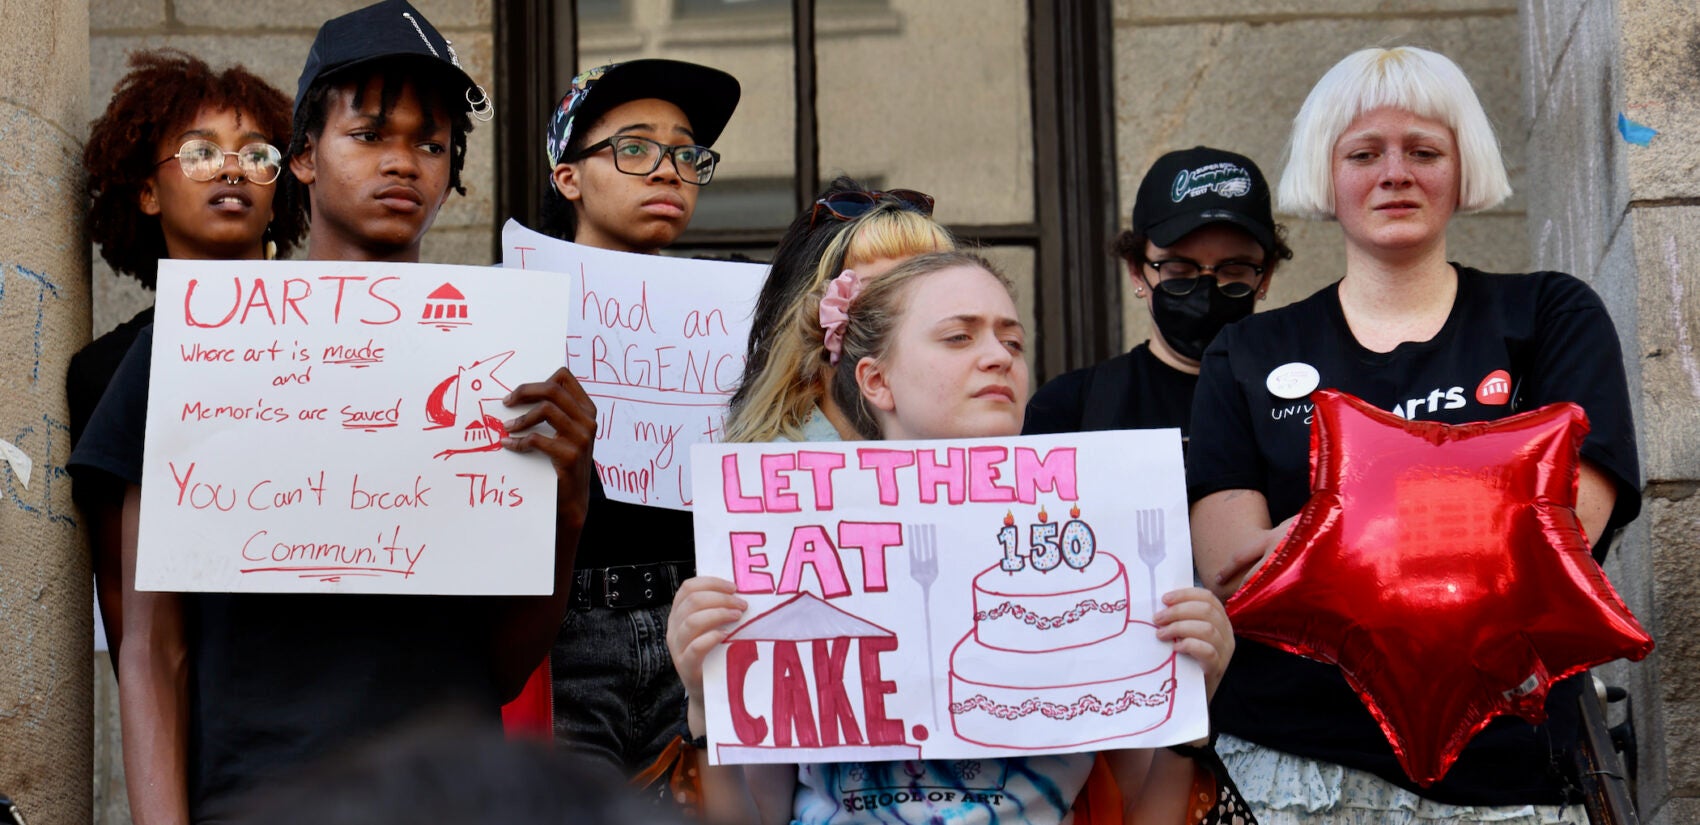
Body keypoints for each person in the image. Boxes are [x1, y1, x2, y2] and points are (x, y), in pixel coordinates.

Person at [72, 3, 597, 821]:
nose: (404, 162)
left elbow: (497, 668)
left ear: (454, 173)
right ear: (306, 158)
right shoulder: (195, 342)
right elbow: (150, 648)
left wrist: (567, 509)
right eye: (372, 134)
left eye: (431, 144)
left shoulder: (503, 366)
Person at [1186, 46, 1640, 824]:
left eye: (1423, 151)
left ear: (1462, 170)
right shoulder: (1247, 351)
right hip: (1293, 774)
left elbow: (1566, 532)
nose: (1394, 172)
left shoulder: (1550, 316)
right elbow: (1232, 566)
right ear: (1328, 176)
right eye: (1364, 153)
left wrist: (1329, 533)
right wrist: (1470, 510)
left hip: (1512, 775)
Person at [670, 251, 1237, 824]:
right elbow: (753, 816)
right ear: (876, 379)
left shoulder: (1099, 533)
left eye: (1012, 343)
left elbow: (1139, 812)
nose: (997, 357)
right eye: (959, 338)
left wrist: (1194, 701)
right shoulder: (792, 539)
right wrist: (704, 704)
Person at [529, 58, 745, 778]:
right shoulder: (511, 309)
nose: (667, 171)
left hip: (698, 625)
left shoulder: (739, 315)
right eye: (634, 148)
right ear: (568, 176)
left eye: (687, 153)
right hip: (558, 635)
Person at [67, 49, 306, 663]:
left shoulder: (337, 337)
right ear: (148, 191)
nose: (232, 169)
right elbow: (122, 595)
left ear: (279, 192)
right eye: (200, 152)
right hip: (208, 708)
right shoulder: (107, 370)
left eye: (257, 155)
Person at [1023, 147, 1290, 438]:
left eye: (1235, 269)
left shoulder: (1304, 401)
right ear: (1136, 271)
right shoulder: (1069, 407)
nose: (1207, 291)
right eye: (1178, 270)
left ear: (1266, 275)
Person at [725, 178, 952, 443]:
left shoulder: (986, 457)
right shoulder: (760, 474)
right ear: (817, 322)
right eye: (883, 294)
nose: (918, 316)